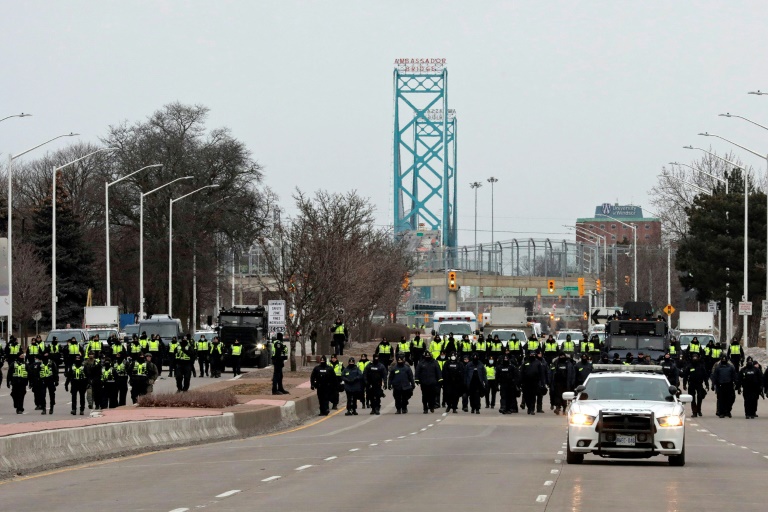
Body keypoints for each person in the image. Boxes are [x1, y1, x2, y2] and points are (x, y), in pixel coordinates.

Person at [682, 352, 708, 417]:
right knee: (692, 398)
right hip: (691, 384)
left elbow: (705, 376)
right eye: (694, 357)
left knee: (700, 397)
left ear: (698, 358)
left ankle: (699, 410)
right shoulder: (689, 366)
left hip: (699, 384)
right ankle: (694, 412)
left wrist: (707, 384)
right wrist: (684, 384)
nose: (695, 358)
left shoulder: (701, 366)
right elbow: (685, 376)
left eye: (696, 357)